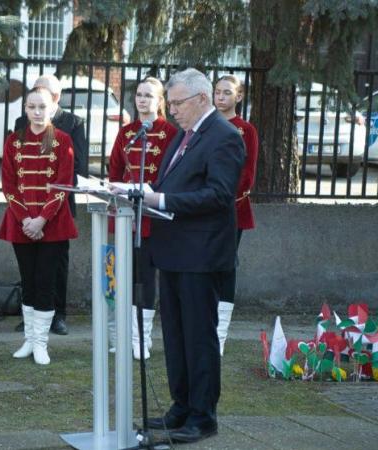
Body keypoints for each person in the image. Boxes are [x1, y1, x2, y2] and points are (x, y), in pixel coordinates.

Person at [143, 69, 244, 443]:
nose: (171, 111)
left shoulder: (224, 136)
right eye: (169, 104)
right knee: (175, 334)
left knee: (199, 337)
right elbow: (172, 183)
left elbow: (219, 195)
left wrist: (161, 200)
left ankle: (203, 416)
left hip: (201, 255)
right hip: (173, 251)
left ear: (202, 99)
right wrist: (142, 193)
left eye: (177, 103)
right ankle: (181, 406)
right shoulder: (185, 135)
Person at [0, 86, 78, 365]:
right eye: (32, 107)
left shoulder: (63, 140)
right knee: (28, 282)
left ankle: (41, 343)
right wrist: (26, 220)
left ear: (52, 108)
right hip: (21, 223)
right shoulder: (13, 141)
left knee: (46, 283)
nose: (37, 112)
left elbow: (63, 184)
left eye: (42, 107)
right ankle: (30, 340)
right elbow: (9, 185)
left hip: (52, 224)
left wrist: (42, 219)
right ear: (25, 109)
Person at [107, 77, 177, 360]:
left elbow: (173, 173)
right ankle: (125, 335)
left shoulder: (170, 132)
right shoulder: (126, 132)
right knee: (124, 276)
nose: (142, 100)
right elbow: (115, 169)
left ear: (160, 101)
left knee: (146, 278)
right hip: (126, 213)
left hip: (153, 216)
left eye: (149, 95)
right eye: (139, 94)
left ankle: (141, 338)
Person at [13, 74, 88, 335]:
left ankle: (58, 314)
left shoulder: (73, 123)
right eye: (32, 101)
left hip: (58, 205)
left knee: (57, 264)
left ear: (55, 98)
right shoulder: (21, 124)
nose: (37, 108)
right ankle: (31, 317)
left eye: (43, 96)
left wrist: (53, 194)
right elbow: (15, 170)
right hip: (27, 208)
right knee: (31, 268)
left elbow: (78, 166)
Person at [213, 75, 259, 355]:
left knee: (226, 266)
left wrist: (222, 197)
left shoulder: (246, 130)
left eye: (227, 92)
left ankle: (221, 333)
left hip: (231, 208)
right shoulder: (206, 124)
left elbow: (247, 172)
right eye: (217, 92)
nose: (221, 97)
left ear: (238, 97)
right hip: (203, 209)